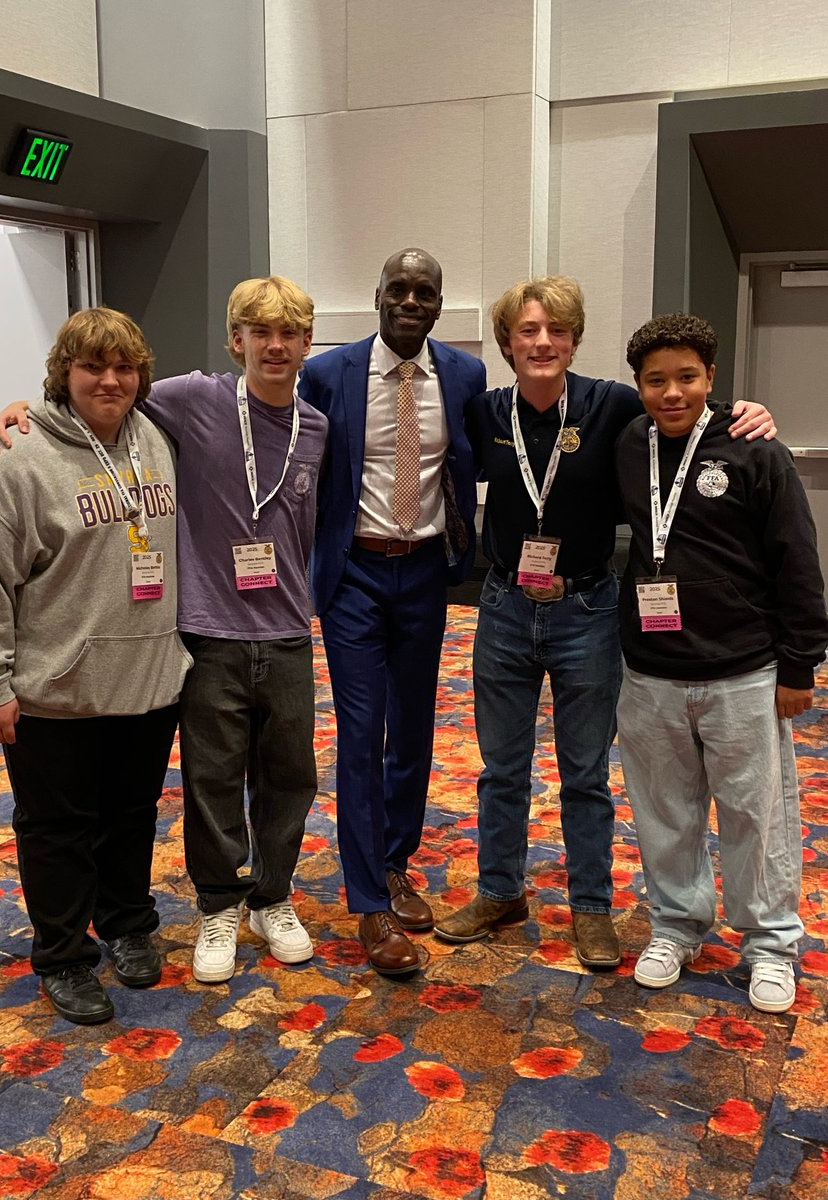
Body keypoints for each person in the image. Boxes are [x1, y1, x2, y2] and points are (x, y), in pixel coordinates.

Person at [0, 277, 329, 985]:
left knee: (289, 778)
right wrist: (20, 406)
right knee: (208, 782)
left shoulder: (315, 425)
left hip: (277, 632)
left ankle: (271, 897)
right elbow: (86, 391)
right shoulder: (192, 399)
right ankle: (217, 903)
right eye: (258, 331)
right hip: (204, 634)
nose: (273, 344)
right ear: (235, 340)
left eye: (288, 333)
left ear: (306, 344)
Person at [435, 277, 776, 969]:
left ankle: (591, 906)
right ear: (506, 343)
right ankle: (500, 890)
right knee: (502, 769)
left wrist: (748, 410)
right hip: (502, 607)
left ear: (574, 339)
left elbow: (685, 417)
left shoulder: (614, 404)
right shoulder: (483, 411)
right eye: (527, 331)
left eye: (555, 329)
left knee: (585, 771)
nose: (541, 342)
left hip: (585, 608)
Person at [0, 307, 191, 1024]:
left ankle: (126, 922)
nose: (110, 380)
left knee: (131, 816)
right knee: (57, 828)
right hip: (56, 688)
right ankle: (62, 954)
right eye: (93, 367)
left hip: (146, 680)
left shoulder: (156, 438)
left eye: (124, 367)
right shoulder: (18, 463)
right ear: (64, 374)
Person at [615, 312, 828, 1013]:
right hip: (651, 670)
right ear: (639, 385)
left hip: (745, 670)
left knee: (755, 814)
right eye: (656, 380)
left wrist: (801, 665)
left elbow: (798, 560)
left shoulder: (752, 449)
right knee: (663, 811)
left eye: (686, 378)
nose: (671, 393)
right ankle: (676, 925)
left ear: (711, 378)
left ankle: (770, 944)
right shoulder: (628, 444)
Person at [298, 248, 486, 974]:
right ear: (377, 296)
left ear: (439, 305)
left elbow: (476, 458)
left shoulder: (464, 375)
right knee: (358, 731)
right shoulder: (328, 373)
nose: (411, 300)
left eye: (425, 291)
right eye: (398, 289)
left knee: (413, 728)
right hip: (355, 576)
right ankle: (369, 902)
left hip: (426, 574)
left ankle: (397, 860)